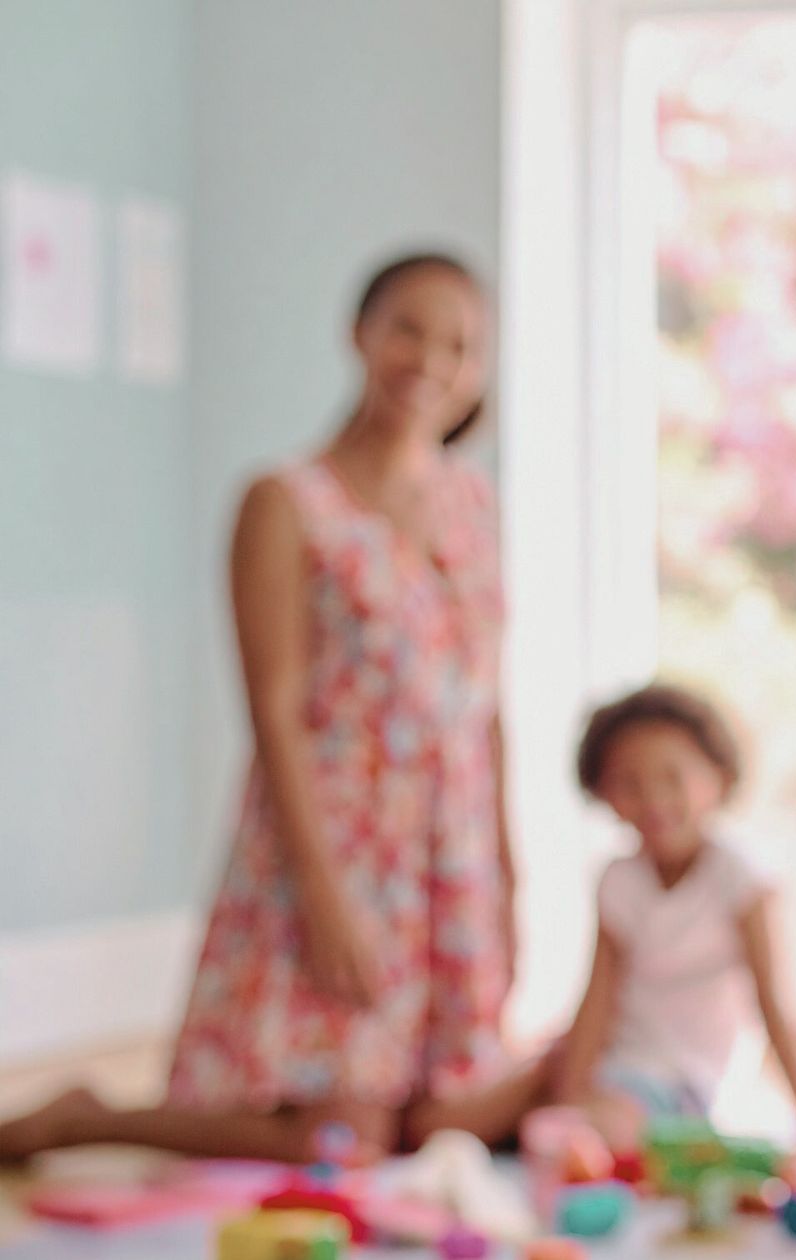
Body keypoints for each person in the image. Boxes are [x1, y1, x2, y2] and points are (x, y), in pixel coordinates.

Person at [0, 253, 532, 1163]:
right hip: (330, 841)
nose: (430, 360)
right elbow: (274, 712)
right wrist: (323, 894)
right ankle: (81, 1117)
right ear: (360, 332)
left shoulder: (472, 502)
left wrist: (509, 870)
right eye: (408, 327)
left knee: (440, 1116)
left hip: (452, 851)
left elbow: (482, 702)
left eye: (460, 344)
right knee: (340, 1135)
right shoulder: (287, 501)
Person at [551, 683, 796, 1149]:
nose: (654, 800)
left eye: (672, 778)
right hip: (622, 1069)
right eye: (630, 783)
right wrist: (568, 1102)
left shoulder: (737, 876)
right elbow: (595, 1003)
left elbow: (773, 1001)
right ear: (603, 792)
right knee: (534, 1110)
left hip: (691, 1084)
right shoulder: (618, 880)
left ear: (717, 779)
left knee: (603, 1130)